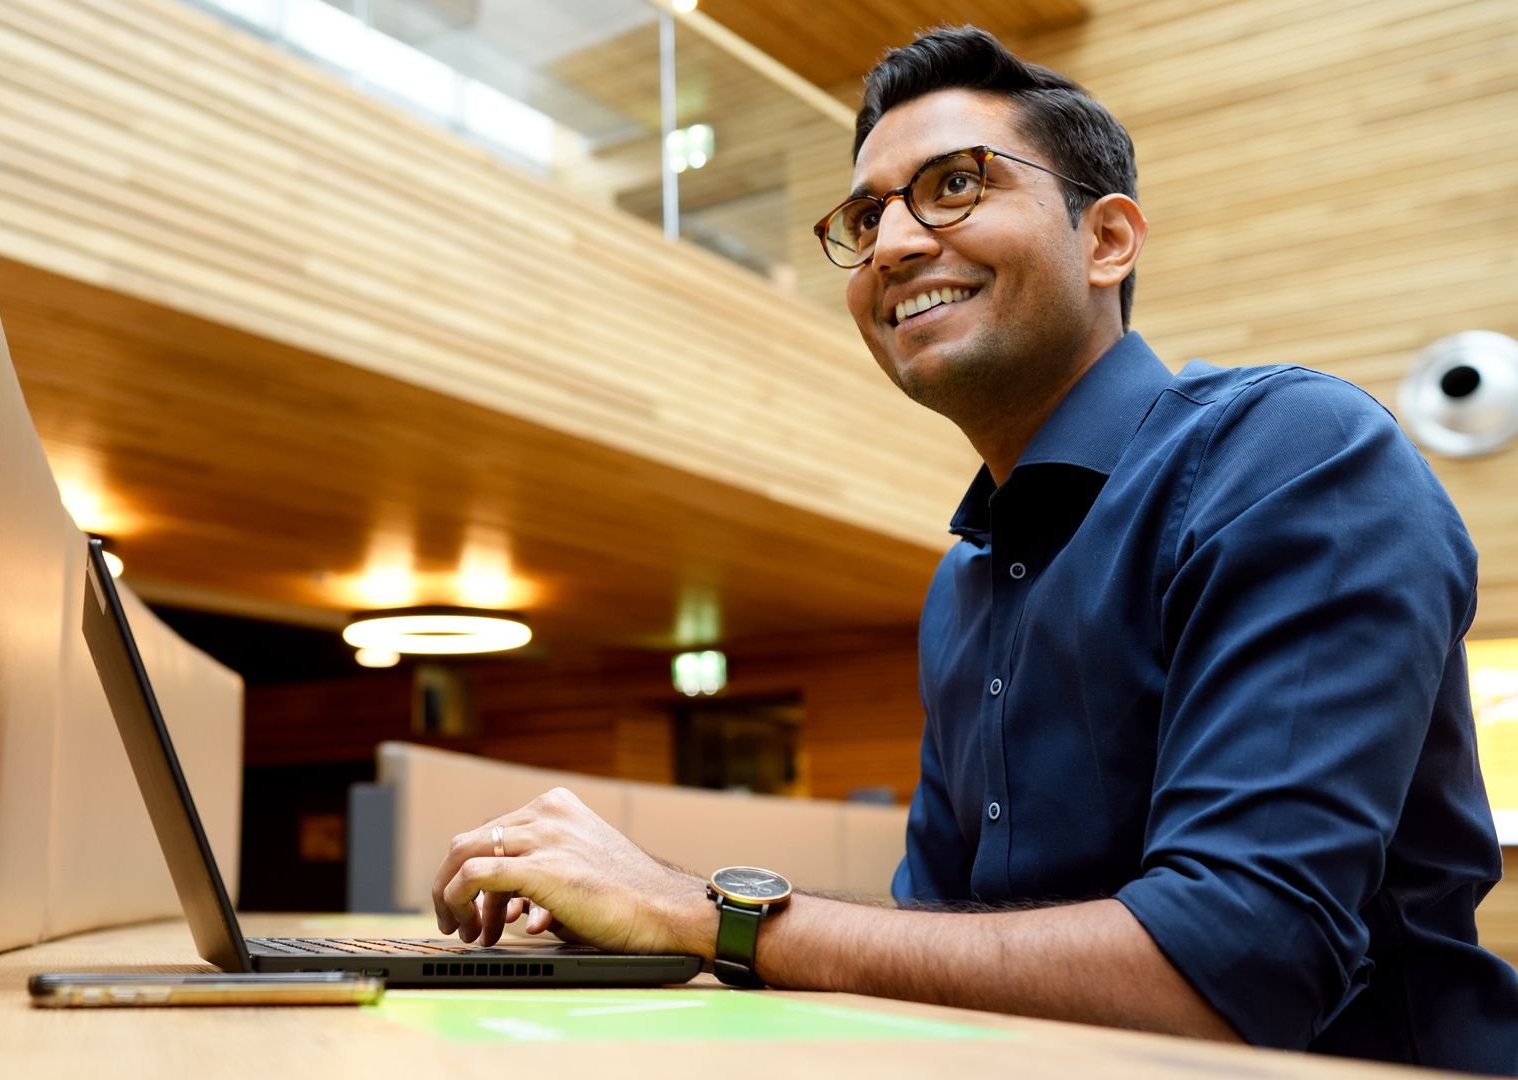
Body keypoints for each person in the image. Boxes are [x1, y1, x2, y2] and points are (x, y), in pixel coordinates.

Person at [429, 25, 1518, 1071]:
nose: (893, 243)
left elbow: (1230, 971)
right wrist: (634, 933)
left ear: (1107, 240)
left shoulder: (1291, 451)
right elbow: (935, 949)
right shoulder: (962, 584)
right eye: (864, 217)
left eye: (957, 185)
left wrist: (703, 914)